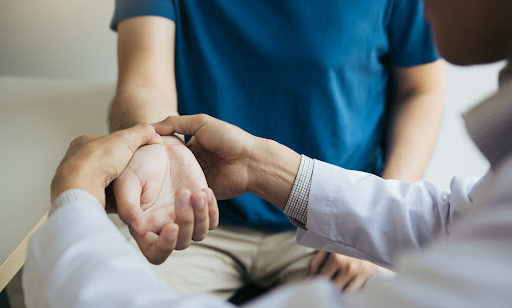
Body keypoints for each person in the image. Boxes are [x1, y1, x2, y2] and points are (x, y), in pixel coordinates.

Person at [22, 0, 512, 304]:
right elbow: (449, 217)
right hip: (201, 218)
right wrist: (257, 166)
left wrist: (74, 204)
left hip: (324, 244)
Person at [108, 0, 445, 296]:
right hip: (194, 214)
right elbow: (143, 81)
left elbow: (421, 91)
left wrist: (373, 221)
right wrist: (160, 150)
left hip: (333, 222)